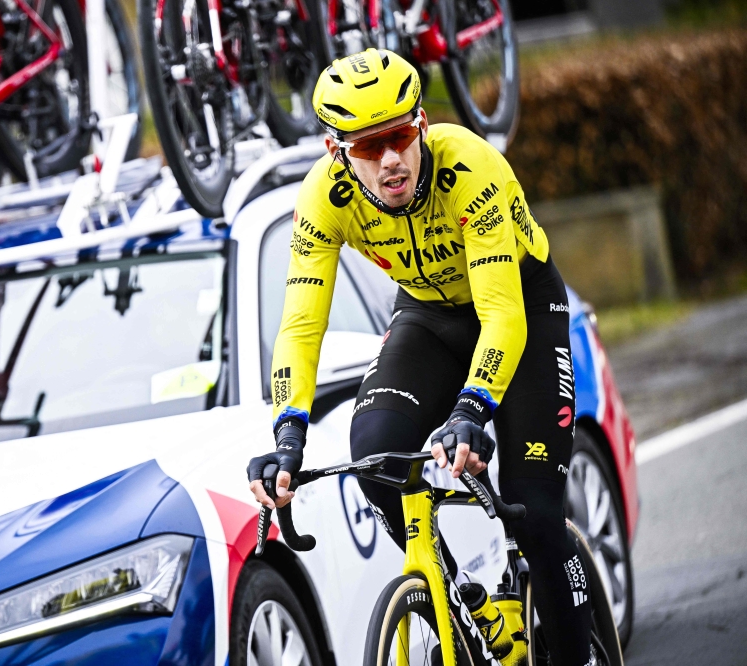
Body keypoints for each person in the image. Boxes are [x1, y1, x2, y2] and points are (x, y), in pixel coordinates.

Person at [247, 48, 596, 666]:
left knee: (534, 513)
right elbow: (301, 325)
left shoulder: (471, 166)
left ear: (422, 128)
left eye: (400, 138)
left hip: (519, 300)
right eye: (366, 147)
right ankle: (463, 602)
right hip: (428, 314)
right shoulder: (322, 201)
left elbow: (502, 314)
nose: (389, 160)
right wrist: (287, 432)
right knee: (374, 448)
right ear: (336, 153)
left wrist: (472, 408)